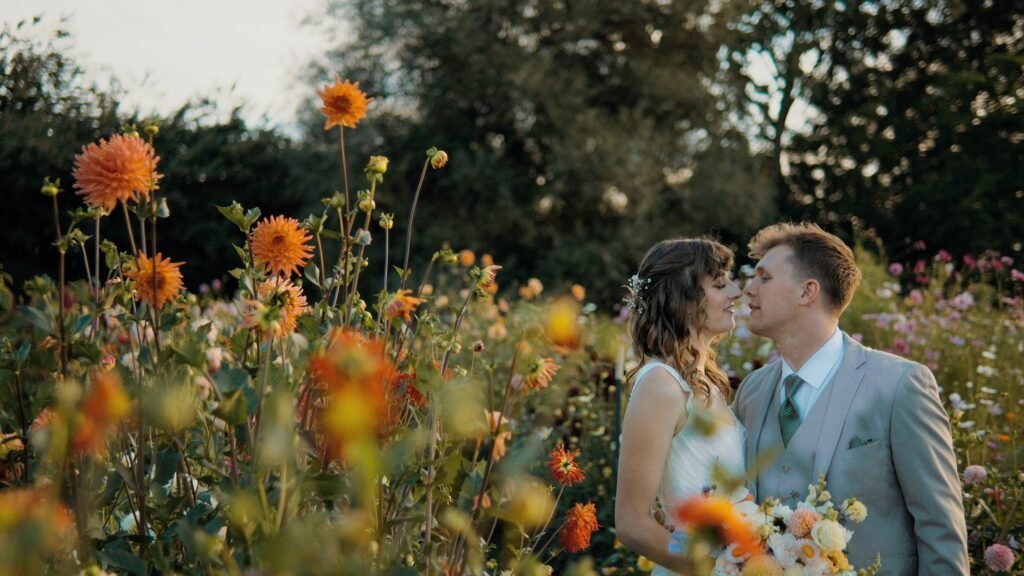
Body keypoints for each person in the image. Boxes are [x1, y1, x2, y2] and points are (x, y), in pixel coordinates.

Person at [733, 222, 969, 575]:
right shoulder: (751, 391)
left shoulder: (900, 385)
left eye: (763, 278)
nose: (747, 289)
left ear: (807, 291)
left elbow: (940, 528)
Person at [615, 238, 744, 574]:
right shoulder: (661, 386)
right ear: (683, 300)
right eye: (720, 284)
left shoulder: (711, 384)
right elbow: (631, 523)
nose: (736, 292)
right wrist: (715, 568)